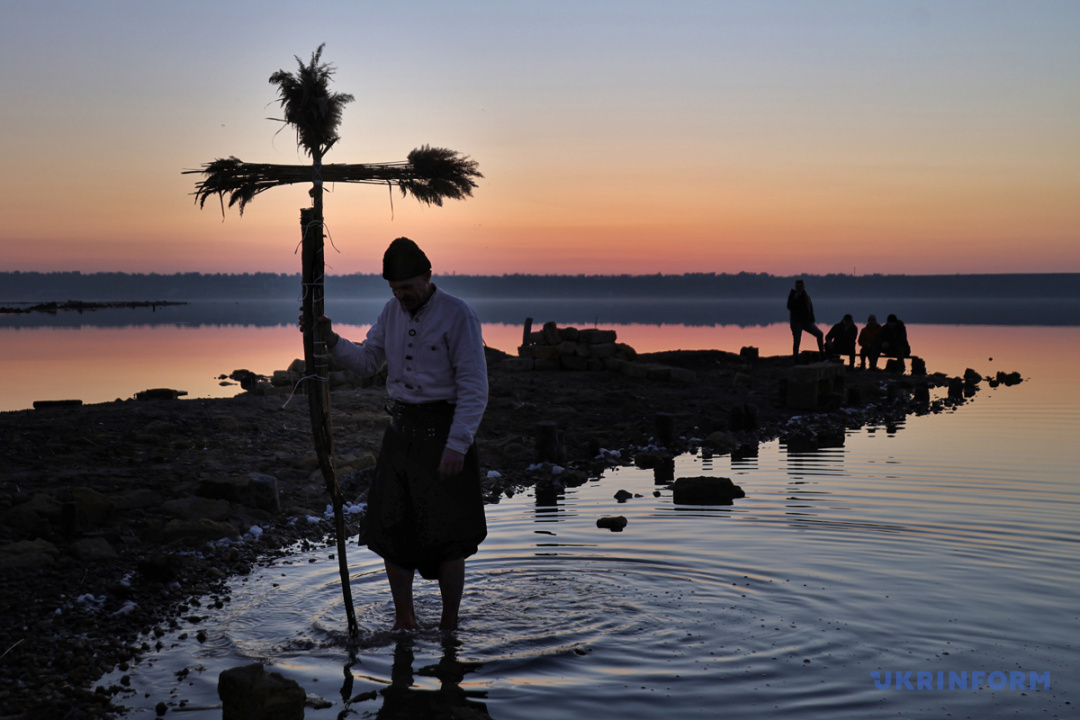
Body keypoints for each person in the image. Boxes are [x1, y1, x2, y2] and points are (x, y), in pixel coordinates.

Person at [303, 237, 488, 632]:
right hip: (400, 435)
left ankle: (449, 625)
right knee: (392, 531)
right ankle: (404, 620)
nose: (402, 296)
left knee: (450, 536)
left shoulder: (459, 316)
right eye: (395, 289)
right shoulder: (391, 312)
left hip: (444, 436)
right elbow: (369, 362)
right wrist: (331, 340)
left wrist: (458, 444)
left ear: (428, 275)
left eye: (407, 287)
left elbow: (474, 388)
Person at [786, 279, 824, 356]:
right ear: (795, 287)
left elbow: (810, 307)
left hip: (806, 322)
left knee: (819, 334)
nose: (799, 288)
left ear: (803, 286)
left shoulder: (806, 296)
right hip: (796, 322)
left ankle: (822, 354)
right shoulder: (792, 295)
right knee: (797, 340)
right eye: (797, 286)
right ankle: (795, 358)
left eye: (800, 286)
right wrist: (795, 298)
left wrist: (812, 318)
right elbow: (789, 306)